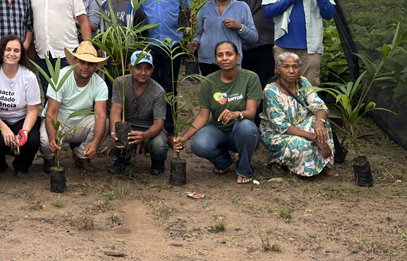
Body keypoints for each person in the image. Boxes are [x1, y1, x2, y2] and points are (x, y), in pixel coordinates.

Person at [172, 41, 262, 184]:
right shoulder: (209, 81)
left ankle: (245, 169)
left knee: (246, 126)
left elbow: (251, 112)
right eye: (220, 55)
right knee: (199, 145)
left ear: (238, 56)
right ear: (215, 59)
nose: (225, 58)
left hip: (242, 132)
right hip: (218, 130)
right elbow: (202, 116)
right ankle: (223, 162)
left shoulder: (250, 78)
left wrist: (236, 114)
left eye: (229, 54)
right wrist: (185, 137)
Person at [262, 0, 336, 87]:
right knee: (284, 90)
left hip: (310, 49)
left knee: (309, 90)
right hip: (283, 47)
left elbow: (329, 14)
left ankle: (309, 111)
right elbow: (269, 12)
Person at [138, 0, 190, 136]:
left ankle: (168, 129)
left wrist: (187, 38)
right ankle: (148, 127)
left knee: (169, 87)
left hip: (172, 46)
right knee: (148, 85)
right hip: (147, 45)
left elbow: (185, 10)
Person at [260, 52, 338, 177]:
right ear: (277, 70)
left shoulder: (303, 82)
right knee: (301, 144)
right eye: (286, 67)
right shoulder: (271, 91)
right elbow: (281, 126)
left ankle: (324, 164)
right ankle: (277, 160)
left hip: (300, 125)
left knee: (323, 124)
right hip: (276, 133)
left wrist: (319, 123)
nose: (291, 71)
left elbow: (319, 105)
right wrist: (313, 137)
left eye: (295, 67)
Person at [39, 41, 109, 173]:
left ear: (96, 67)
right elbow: (51, 112)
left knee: (105, 122)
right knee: (45, 140)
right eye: (82, 62)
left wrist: (95, 142)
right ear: (74, 61)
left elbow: (100, 115)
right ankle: (50, 158)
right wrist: (52, 137)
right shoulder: (60, 76)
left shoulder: (100, 84)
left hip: (81, 124)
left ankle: (82, 156)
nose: (86, 67)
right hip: (59, 122)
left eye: (90, 64)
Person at [0, 34, 43, 177]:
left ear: (21, 54)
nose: (12, 53)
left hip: (20, 118)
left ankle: (21, 166)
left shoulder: (28, 76)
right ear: (2, 52)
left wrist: (25, 132)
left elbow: (33, 109)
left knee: (33, 140)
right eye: (8, 49)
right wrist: (4, 129)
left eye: (16, 50)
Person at [27, 0, 93, 84]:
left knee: (69, 94)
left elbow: (83, 20)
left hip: (68, 53)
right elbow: (31, 24)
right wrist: (32, 51)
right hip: (43, 54)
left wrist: (87, 48)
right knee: (48, 92)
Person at [107, 51, 168, 175]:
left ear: (152, 70)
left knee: (159, 144)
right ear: (130, 68)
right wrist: (114, 131)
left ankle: (158, 162)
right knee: (119, 133)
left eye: (147, 68)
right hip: (127, 125)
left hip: (149, 128)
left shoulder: (159, 92)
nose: (143, 73)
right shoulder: (120, 82)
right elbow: (115, 110)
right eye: (138, 68)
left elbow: (158, 123)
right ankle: (122, 161)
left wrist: (144, 135)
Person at [224, 0, 276, 91]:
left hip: (264, 47)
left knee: (264, 86)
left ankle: (260, 114)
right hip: (242, 47)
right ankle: (245, 114)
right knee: (242, 87)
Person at [187, 0, 257, 76]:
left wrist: (239, 27)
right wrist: (195, 42)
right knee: (211, 90)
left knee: (231, 91)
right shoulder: (205, 8)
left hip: (230, 60)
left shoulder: (242, 7)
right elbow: (199, 33)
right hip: (206, 59)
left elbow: (254, 37)